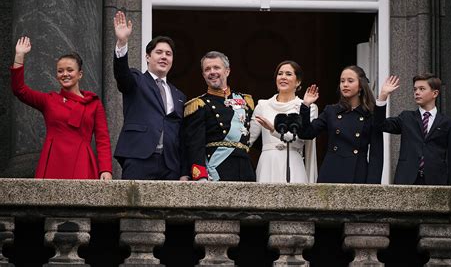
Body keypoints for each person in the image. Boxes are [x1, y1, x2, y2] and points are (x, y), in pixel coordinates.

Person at [10, 37, 113, 180]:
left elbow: (103, 139)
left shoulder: (93, 103)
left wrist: (105, 170)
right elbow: (19, 90)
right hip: (53, 160)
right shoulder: (49, 100)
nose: (65, 74)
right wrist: (19, 56)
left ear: (80, 74)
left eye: (70, 70)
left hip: (82, 161)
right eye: (60, 71)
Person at [113, 11, 188, 180]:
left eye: (168, 54)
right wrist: (122, 42)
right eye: (159, 52)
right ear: (148, 57)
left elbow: (182, 136)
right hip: (139, 158)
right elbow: (121, 74)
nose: (164, 57)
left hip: (170, 164)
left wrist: (184, 171)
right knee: (134, 207)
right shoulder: (136, 80)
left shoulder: (179, 95)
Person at [297, 65, 384, 184]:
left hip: (358, 175)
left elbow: (376, 155)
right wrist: (306, 105)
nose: (345, 84)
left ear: (360, 86)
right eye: (342, 81)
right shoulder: (331, 111)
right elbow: (305, 133)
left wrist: (373, 187)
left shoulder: (370, 115)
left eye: (350, 81)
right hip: (331, 172)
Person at [375, 74, 451, 185]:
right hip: (406, 180)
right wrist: (383, 96)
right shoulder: (406, 117)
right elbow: (380, 125)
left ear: (435, 93)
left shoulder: (448, 122)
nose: (417, 92)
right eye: (415, 89)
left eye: (422, 89)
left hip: (436, 182)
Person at [184, 51, 256, 181]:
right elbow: (195, 145)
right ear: (203, 75)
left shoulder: (246, 101)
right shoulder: (199, 104)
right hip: (217, 169)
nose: (212, 72)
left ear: (227, 71)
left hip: (245, 169)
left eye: (216, 67)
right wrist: (200, 175)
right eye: (207, 69)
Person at [249, 61, 318, 183]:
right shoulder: (262, 105)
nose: (283, 77)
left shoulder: (308, 107)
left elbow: (301, 139)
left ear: (298, 81)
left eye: (288, 74)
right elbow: (248, 139)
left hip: (294, 162)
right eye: (280, 74)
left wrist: (274, 130)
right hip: (267, 164)